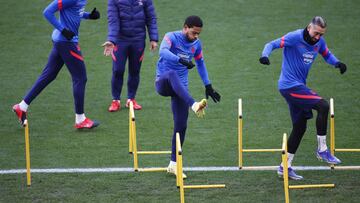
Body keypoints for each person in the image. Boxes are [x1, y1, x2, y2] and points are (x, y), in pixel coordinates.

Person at [259, 16, 347, 180]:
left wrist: (338, 63)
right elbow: (271, 44)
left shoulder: (319, 43)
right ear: (308, 27)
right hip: (289, 86)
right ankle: (322, 149)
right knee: (323, 106)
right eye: (316, 33)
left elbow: (327, 55)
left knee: (300, 127)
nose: (318, 37)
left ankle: (285, 167)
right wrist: (265, 55)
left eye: (321, 34)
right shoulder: (294, 37)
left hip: (299, 86)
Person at [12, 0, 100, 129]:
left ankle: (22, 106)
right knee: (80, 78)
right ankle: (80, 119)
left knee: (49, 75)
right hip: (66, 42)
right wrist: (63, 30)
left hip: (61, 41)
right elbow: (47, 12)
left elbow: (74, 12)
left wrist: (89, 16)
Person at [156, 16, 221, 178]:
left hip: (180, 89)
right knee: (172, 73)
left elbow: (200, 63)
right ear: (185, 27)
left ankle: (173, 164)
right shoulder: (171, 36)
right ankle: (194, 104)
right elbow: (162, 51)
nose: (196, 36)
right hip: (163, 82)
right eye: (193, 33)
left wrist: (208, 85)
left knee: (181, 125)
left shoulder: (196, 45)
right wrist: (180, 60)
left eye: (198, 33)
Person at [103, 0, 159, 112]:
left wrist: (153, 38)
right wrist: (112, 40)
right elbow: (113, 21)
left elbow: (151, 18)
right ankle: (116, 100)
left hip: (138, 40)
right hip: (120, 41)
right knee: (118, 70)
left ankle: (131, 99)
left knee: (135, 70)